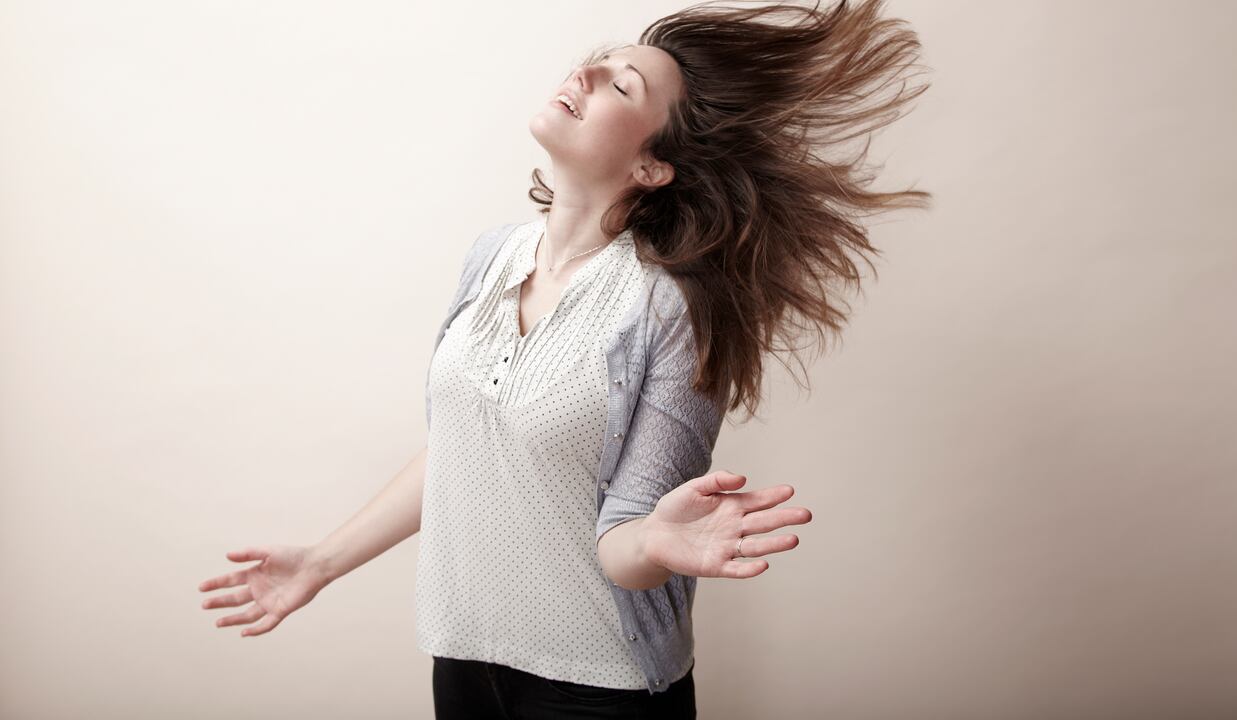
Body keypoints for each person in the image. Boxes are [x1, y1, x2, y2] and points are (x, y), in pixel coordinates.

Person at [197, 0, 930, 716]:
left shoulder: (668, 309)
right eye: (594, 64)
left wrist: (656, 537)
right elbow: (465, 448)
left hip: (597, 686)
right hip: (462, 658)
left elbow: (625, 542)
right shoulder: (491, 257)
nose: (583, 76)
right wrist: (320, 564)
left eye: (619, 84)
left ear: (652, 166)